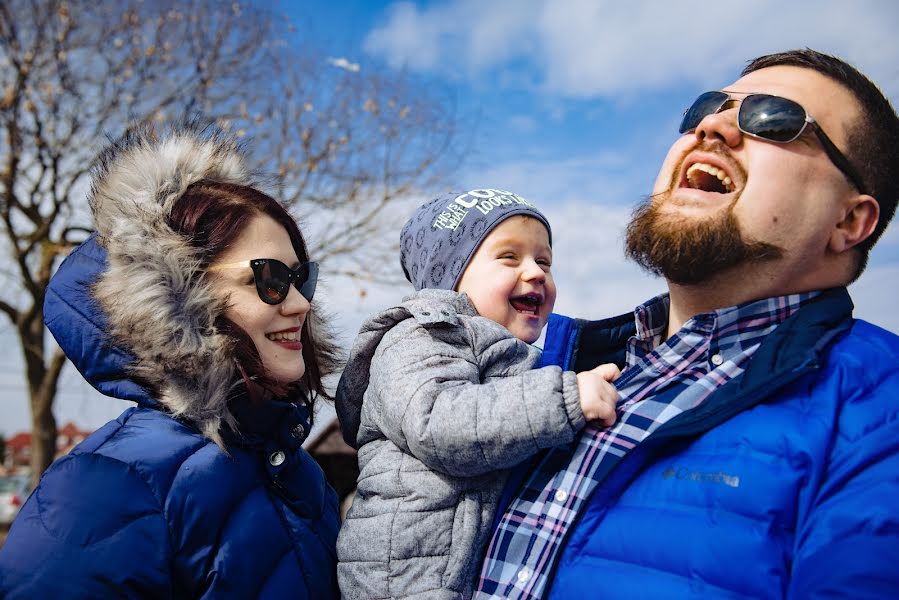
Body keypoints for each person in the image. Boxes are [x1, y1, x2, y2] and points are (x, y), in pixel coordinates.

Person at [474, 48, 899, 599]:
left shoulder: (877, 416)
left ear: (848, 220)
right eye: (707, 106)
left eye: (775, 117)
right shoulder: (535, 369)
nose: (712, 125)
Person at [0, 123, 342, 597]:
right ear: (179, 296)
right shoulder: (107, 486)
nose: (301, 305)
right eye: (270, 279)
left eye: (302, 279)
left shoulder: (297, 472)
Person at [335, 189, 620, 600]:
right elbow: (437, 424)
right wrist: (565, 398)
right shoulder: (421, 335)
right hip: (409, 577)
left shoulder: (516, 356)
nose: (536, 272)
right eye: (510, 257)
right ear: (450, 276)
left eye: (544, 261)